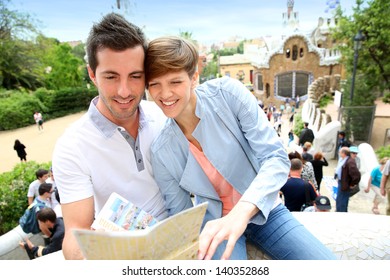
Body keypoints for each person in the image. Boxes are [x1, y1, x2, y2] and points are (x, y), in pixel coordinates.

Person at [145, 36, 335, 260]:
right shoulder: (161, 151)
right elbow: (181, 215)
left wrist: (241, 212)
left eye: (175, 82)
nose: (164, 94)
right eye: (154, 84)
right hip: (215, 226)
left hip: (262, 207)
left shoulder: (227, 94)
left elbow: (275, 157)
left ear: (194, 77)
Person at [51, 13, 168, 260]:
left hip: (178, 236)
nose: (124, 91)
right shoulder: (71, 146)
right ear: (92, 75)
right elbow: (75, 231)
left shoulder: (162, 115)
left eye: (135, 76)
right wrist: (88, 252)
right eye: (111, 76)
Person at [335, 147, 361, 212]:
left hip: (345, 183)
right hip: (341, 181)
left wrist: (353, 184)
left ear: (344, 153)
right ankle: (339, 211)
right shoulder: (343, 160)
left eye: (340, 152)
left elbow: (356, 175)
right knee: (339, 199)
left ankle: (342, 213)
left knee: (342, 200)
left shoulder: (350, 161)